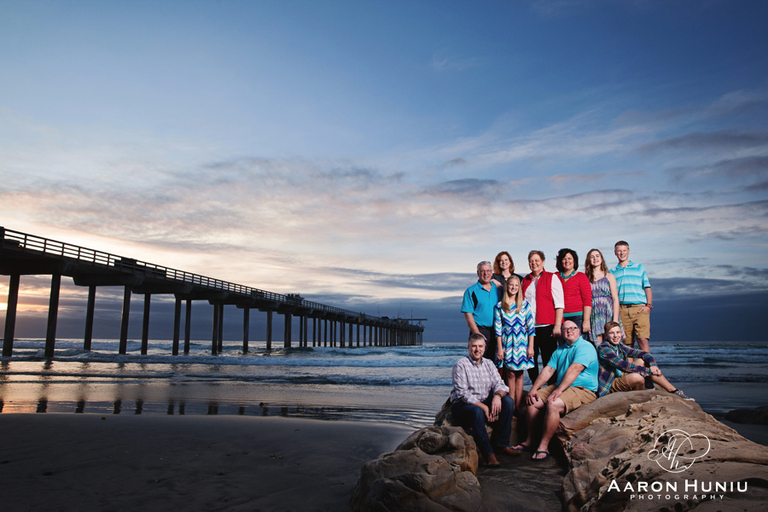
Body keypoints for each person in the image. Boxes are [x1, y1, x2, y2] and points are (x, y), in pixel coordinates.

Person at [513, 320, 598, 460]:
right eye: (565, 329)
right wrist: (534, 388)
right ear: (562, 333)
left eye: (573, 328)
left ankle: (543, 446)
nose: (569, 331)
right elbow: (548, 369)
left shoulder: (585, 347)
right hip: (562, 386)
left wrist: (559, 390)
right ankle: (529, 440)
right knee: (532, 400)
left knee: (553, 403)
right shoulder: (560, 350)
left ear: (578, 330)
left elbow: (575, 369)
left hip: (583, 389)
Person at [450, 333, 522, 467]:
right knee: (477, 411)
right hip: (463, 405)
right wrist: (484, 408)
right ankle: (489, 453)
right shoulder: (460, 365)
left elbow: (500, 385)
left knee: (508, 402)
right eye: (474, 346)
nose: (477, 349)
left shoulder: (489, 363)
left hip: (484, 401)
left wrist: (497, 396)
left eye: (480, 346)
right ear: (468, 347)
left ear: (484, 348)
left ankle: (503, 445)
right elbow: (462, 394)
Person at [597, 321, 693, 400]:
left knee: (642, 360)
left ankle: (674, 391)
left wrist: (653, 365)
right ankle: (642, 397)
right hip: (610, 384)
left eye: (618, 332)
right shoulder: (604, 348)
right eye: (611, 333)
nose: (615, 336)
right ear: (606, 335)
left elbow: (644, 354)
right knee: (637, 377)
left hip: (620, 376)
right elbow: (623, 365)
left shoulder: (619, 346)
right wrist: (648, 371)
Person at [493, 275, 535, 415]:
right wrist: (500, 348)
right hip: (507, 343)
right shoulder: (500, 306)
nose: (513, 288)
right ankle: (511, 406)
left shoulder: (524, 305)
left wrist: (531, 347)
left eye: (516, 286)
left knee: (520, 374)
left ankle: (518, 406)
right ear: (506, 286)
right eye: (511, 285)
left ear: (519, 288)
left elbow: (531, 328)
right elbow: (498, 330)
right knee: (510, 374)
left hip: (522, 343)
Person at [521, 250, 564, 384]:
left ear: (543, 262)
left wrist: (557, 326)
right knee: (530, 359)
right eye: (531, 261)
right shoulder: (525, 280)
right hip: (529, 327)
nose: (534, 263)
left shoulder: (552, 277)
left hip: (547, 326)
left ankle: (551, 388)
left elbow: (559, 304)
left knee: (548, 360)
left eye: (536, 261)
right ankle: (536, 388)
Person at [610, 241, 652, 352]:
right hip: (622, 310)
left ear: (628, 251)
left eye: (624, 250)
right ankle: (629, 369)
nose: (622, 253)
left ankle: (651, 368)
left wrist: (649, 306)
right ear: (615, 252)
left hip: (639, 308)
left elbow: (647, 288)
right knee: (627, 344)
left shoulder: (639, 268)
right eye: (619, 250)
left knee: (642, 340)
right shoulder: (612, 272)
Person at [461, 261, 502, 360]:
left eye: (488, 271)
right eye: (482, 271)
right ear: (478, 273)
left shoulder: (498, 290)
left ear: (491, 273)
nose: (485, 273)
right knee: (477, 361)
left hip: (497, 331)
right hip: (480, 330)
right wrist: (477, 333)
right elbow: (468, 315)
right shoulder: (471, 291)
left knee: (495, 363)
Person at [584, 248, 622, 345]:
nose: (595, 258)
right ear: (589, 260)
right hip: (594, 312)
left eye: (597, 256)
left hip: (608, 311)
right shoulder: (586, 277)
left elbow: (615, 298)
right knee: (597, 342)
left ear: (601, 259)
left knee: (611, 340)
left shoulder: (609, 276)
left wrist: (615, 319)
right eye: (592, 257)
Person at [556, 248, 592, 337]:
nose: (567, 261)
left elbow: (587, 300)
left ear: (574, 260)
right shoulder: (555, 277)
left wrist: (586, 321)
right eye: (564, 259)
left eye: (569, 258)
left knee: (577, 345)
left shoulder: (581, 277)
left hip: (578, 318)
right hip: (560, 318)